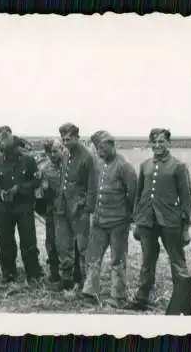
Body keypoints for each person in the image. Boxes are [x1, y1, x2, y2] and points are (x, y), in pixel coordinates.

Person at [127, 128, 191, 315]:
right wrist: (138, 221)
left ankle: (181, 304)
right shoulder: (145, 165)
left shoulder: (178, 166)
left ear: (168, 143)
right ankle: (141, 298)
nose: (157, 145)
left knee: (177, 261)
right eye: (154, 142)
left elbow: (186, 198)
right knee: (147, 260)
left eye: (161, 141)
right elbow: (139, 195)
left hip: (170, 222)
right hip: (147, 221)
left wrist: (185, 227)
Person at [82, 131, 137, 308]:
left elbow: (133, 195)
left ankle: (118, 296)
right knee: (93, 256)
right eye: (97, 148)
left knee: (117, 259)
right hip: (99, 221)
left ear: (112, 145)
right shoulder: (99, 165)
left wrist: (127, 217)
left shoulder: (124, 166)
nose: (99, 151)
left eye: (102, 148)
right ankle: (90, 292)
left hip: (118, 223)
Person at [0, 133, 44, 284]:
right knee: (5, 241)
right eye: (6, 151)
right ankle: (8, 272)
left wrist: (19, 189)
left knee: (28, 241)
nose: (9, 154)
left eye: (12, 151)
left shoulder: (28, 160)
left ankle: (33, 272)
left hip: (24, 207)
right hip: (4, 209)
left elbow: (36, 180)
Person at [50, 123, 96, 292]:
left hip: (79, 208)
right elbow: (64, 179)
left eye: (68, 139)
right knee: (63, 244)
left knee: (83, 247)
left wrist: (87, 208)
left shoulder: (87, 157)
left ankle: (85, 283)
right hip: (63, 207)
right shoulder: (65, 154)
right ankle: (66, 279)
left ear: (77, 137)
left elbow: (92, 187)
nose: (65, 142)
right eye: (63, 139)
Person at [35, 139, 64, 283]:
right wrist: (44, 189)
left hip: (70, 212)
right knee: (51, 241)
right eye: (49, 152)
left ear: (62, 149)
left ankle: (73, 274)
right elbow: (39, 196)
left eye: (55, 151)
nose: (52, 155)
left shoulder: (70, 167)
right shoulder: (45, 170)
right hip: (52, 211)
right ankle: (54, 272)